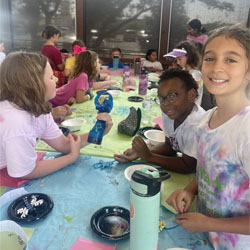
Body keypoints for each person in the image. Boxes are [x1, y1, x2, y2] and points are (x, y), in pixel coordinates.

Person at [166, 25, 250, 250]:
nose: (217, 68)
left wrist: (209, 222)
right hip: (205, 236)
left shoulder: (247, 130)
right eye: (210, 58)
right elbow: (208, 171)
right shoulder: (205, 121)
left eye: (231, 60)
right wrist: (190, 190)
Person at [0, 52, 113, 179]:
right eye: (51, 77)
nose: (57, 79)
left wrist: (98, 132)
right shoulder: (17, 122)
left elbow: (64, 145)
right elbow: (26, 172)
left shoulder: (40, 108)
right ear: (33, 84)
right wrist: (70, 158)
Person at [114, 68, 205, 174]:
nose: (165, 104)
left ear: (191, 95)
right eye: (162, 99)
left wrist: (149, 156)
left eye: (172, 96)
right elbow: (170, 146)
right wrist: (141, 152)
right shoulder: (171, 112)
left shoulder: (196, 124)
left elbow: (188, 166)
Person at [50, 50, 118, 107]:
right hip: (53, 99)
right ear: (92, 64)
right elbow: (80, 98)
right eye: (98, 62)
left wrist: (76, 97)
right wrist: (89, 96)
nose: (100, 64)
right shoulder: (83, 76)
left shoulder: (88, 76)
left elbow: (90, 88)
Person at [164, 41, 203, 105]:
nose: (178, 62)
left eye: (179, 59)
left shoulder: (196, 75)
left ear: (189, 56)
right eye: (177, 59)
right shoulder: (185, 70)